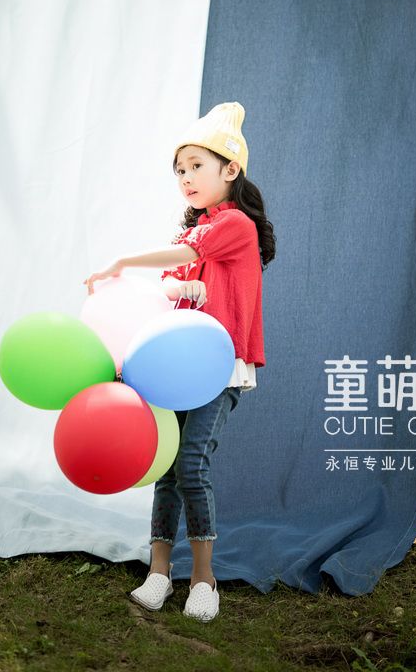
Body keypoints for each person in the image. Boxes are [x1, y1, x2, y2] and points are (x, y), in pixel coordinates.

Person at [83, 101, 276, 621]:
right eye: (179, 170)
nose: (186, 178)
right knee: (167, 466)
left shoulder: (235, 225)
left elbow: (184, 258)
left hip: (220, 365)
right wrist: (183, 286)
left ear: (230, 170)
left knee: (192, 463)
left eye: (196, 166)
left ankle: (203, 580)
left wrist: (123, 262)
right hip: (175, 364)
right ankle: (158, 573)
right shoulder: (194, 229)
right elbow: (171, 281)